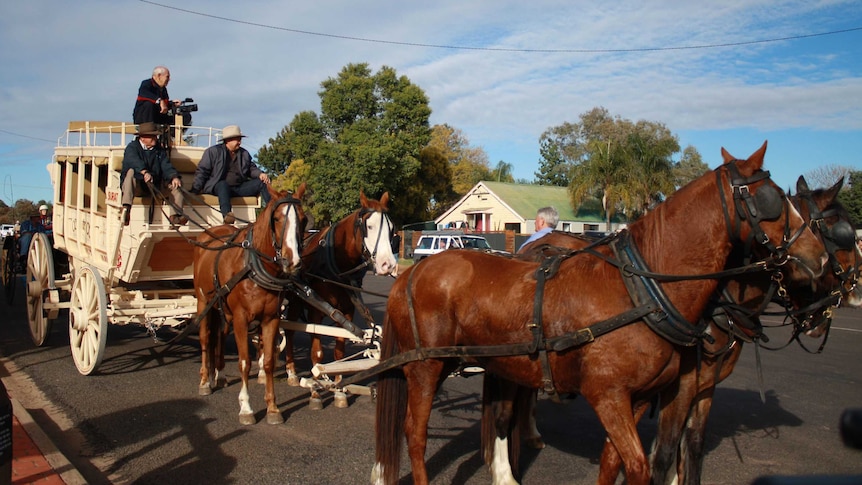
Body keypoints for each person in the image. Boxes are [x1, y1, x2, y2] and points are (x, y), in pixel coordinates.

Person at [191, 125, 271, 224]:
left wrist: (260, 174)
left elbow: (251, 168)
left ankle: (273, 210)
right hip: (218, 187)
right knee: (223, 184)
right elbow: (202, 171)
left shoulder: (244, 154)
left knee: (262, 183)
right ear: (228, 140)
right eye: (237, 139)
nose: (239, 142)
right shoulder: (213, 152)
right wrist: (195, 189)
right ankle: (227, 216)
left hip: (239, 187)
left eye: (240, 139)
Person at [120, 122, 187, 226]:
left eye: (155, 136)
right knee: (131, 172)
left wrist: (174, 177)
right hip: (138, 186)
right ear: (142, 138)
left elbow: (166, 165)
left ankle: (175, 217)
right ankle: (126, 209)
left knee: (176, 185)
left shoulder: (159, 150)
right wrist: (144, 172)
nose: (155, 138)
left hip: (155, 185)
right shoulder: (132, 147)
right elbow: (133, 161)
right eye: (152, 136)